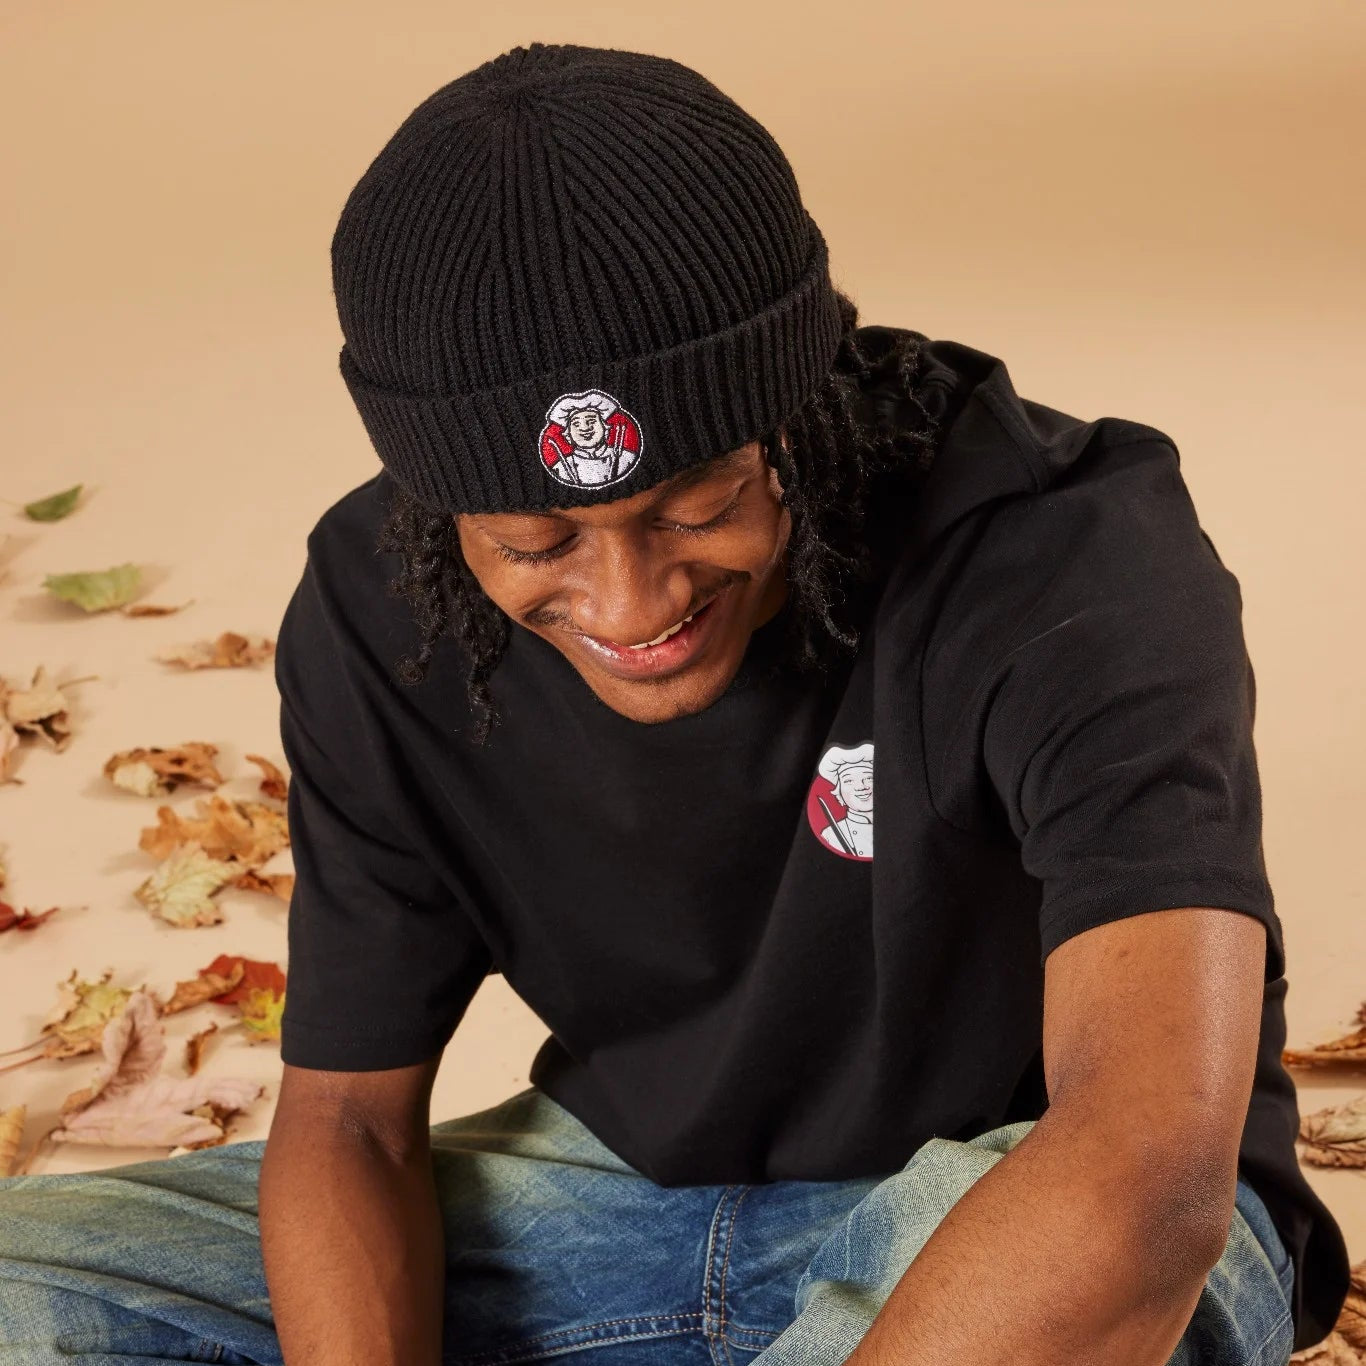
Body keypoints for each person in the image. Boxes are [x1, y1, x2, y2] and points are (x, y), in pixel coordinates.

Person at [0, 40, 1350, 1366]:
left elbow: (1148, 1172)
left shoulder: (1069, 552)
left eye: (698, 505)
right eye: (537, 545)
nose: (633, 602)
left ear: (796, 416)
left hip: (1026, 1197)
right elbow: (350, 1124)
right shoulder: (373, 611)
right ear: (438, 513)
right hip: (615, 1198)